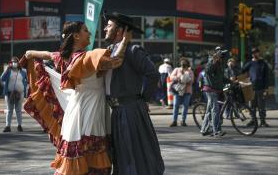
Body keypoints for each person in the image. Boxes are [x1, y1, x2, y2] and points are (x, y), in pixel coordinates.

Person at [24, 21, 130, 175]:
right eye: (86, 30)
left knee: (78, 158)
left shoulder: (64, 57)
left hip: (76, 111)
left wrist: (30, 53)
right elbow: (117, 61)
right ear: (76, 36)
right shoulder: (86, 58)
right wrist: (125, 39)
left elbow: (47, 54)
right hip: (90, 111)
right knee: (93, 159)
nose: (90, 33)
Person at [103, 12, 165, 175]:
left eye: (109, 26)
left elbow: (152, 73)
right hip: (116, 111)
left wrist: (144, 99)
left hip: (130, 110)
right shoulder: (108, 51)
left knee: (134, 155)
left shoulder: (133, 50)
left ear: (121, 30)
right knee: (122, 155)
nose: (105, 29)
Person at [200, 48, 229, 137]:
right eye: (221, 56)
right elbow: (208, 71)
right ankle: (216, 130)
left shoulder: (219, 64)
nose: (223, 58)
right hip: (210, 89)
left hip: (215, 89)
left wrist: (231, 81)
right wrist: (213, 60)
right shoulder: (212, 62)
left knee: (209, 110)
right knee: (215, 110)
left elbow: (221, 78)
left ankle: (204, 130)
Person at [242, 47, 270, 127]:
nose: (255, 54)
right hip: (251, 88)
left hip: (261, 88)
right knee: (252, 106)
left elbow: (266, 76)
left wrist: (266, 88)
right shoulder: (250, 63)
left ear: (259, 53)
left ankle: (263, 121)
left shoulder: (263, 63)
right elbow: (243, 70)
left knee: (262, 106)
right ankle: (253, 120)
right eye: (253, 53)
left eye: (256, 52)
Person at [0, 57, 27, 132]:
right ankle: (8, 126)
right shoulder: (8, 71)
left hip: (20, 94)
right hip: (9, 94)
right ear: (10, 63)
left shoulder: (23, 71)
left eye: (16, 62)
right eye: (13, 62)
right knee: (9, 110)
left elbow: (26, 80)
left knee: (18, 110)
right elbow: (2, 78)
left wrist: (25, 91)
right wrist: (7, 70)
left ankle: (19, 125)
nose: (14, 63)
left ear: (18, 63)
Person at [169, 57, 194, 127]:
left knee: (185, 106)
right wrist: (178, 78)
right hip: (178, 90)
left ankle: (183, 121)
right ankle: (174, 121)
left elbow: (192, 81)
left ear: (187, 64)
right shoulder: (177, 69)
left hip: (187, 91)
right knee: (176, 105)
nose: (183, 65)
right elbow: (171, 77)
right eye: (182, 64)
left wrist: (186, 78)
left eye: (184, 64)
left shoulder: (190, 71)